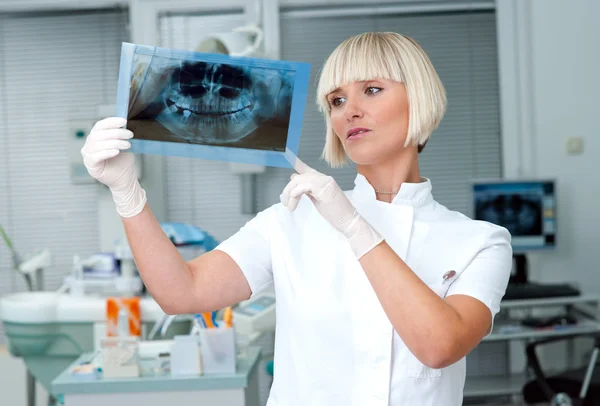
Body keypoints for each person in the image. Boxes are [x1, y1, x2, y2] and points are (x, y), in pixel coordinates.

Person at [81, 32, 512, 406]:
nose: (350, 111)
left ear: (418, 98)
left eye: (372, 90)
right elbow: (182, 293)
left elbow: (439, 345)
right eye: (337, 100)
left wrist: (354, 227)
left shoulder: (480, 241)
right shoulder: (293, 217)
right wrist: (127, 192)